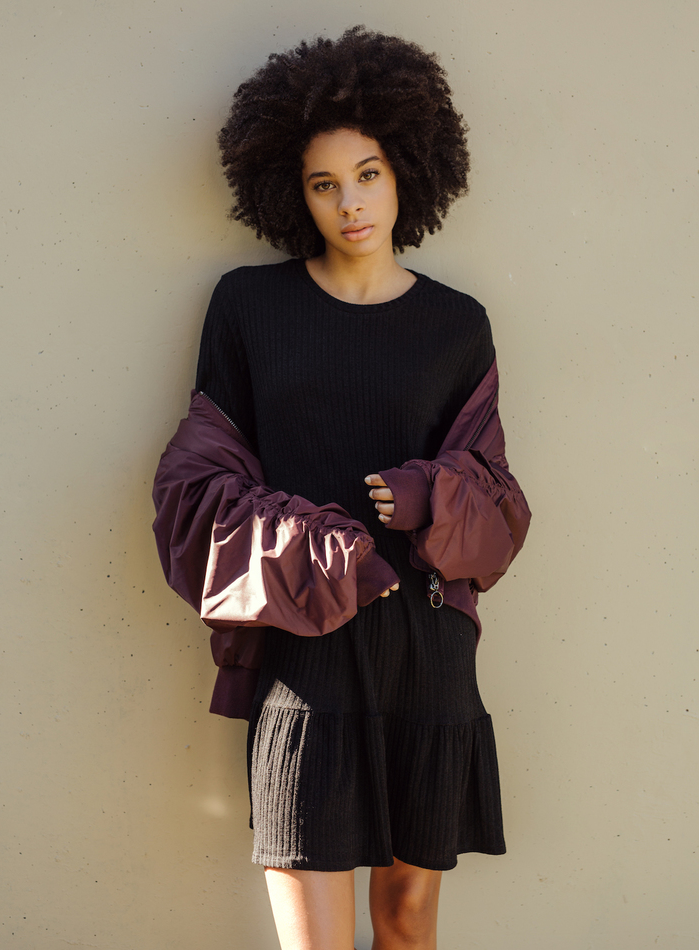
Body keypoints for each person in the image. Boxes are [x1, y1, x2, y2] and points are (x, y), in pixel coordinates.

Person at [152, 26, 531, 950]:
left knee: (403, 927)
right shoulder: (249, 307)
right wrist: (315, 544)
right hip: (305, 648)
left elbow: (499, 506)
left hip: (427, 652)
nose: (349, 203)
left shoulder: (456, 325)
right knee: (313, 940)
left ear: (406, 170)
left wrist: (431, 495)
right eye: (323, 184)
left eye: (367, 174)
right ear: (294, 193)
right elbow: (192, 487)